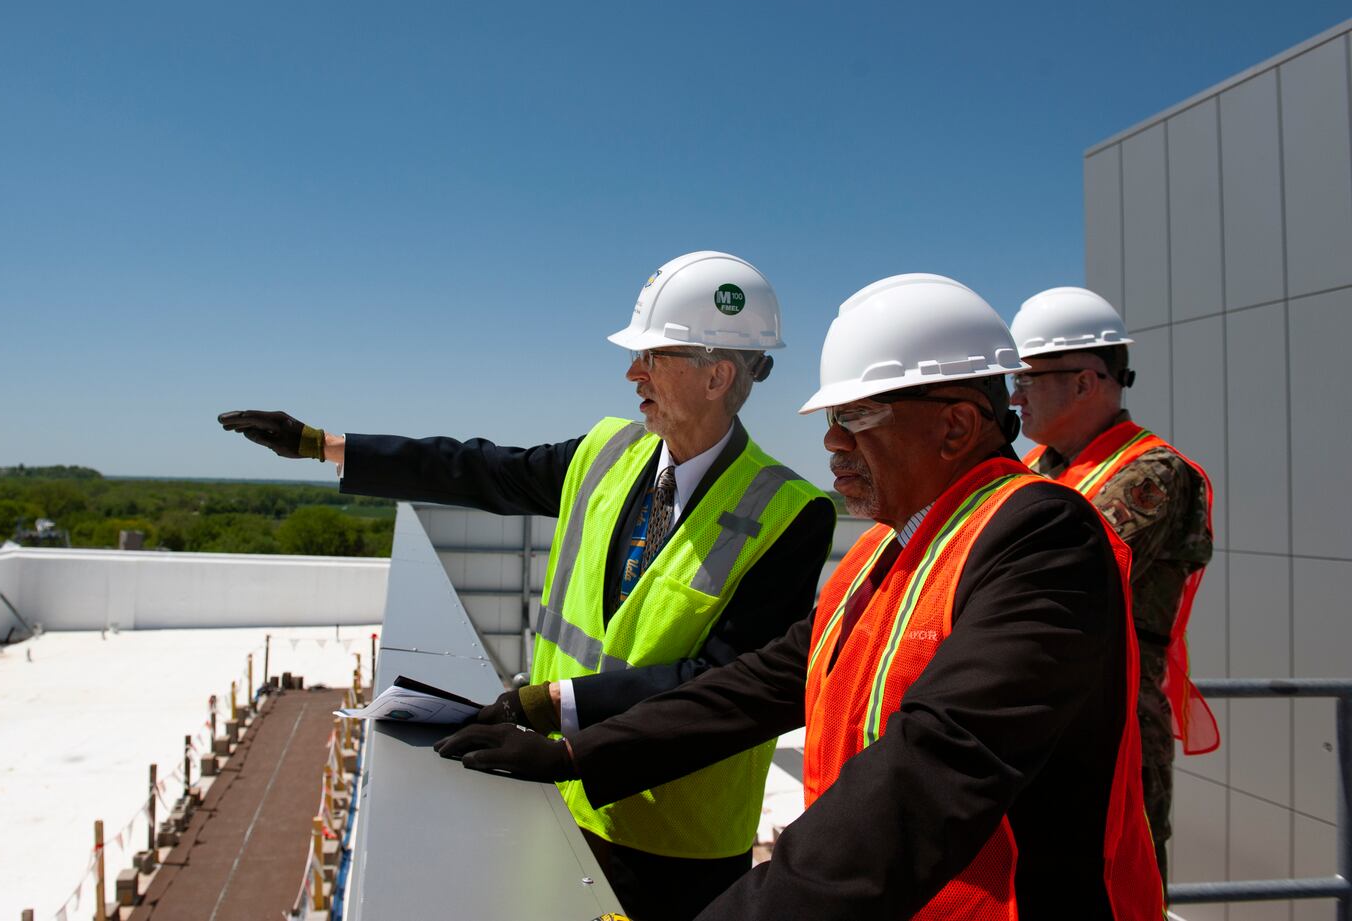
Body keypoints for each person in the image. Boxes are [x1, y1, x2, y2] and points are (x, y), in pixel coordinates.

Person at [435, 273, 1165, 921]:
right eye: (830, 420)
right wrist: (569, 751)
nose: (833, 445)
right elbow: (754, 687)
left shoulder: (1044, 539)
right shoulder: (892, 545)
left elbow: (926, 775)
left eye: (858, 418)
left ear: (955, 424)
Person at [219, 250, 836, 921]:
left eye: (652, 357)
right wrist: (326, 445)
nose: (632, 373)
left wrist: (544, 708)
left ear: (717, 375)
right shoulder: (606, 452)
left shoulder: (789, 512)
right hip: (558, 795)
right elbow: (480, 470)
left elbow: (724, 679)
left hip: (674, 849)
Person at [1009, 285, 1217, 886]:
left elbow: (1048, 573)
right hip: (1037, 721)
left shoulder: (1152, 473)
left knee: (1109, 885)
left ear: (1085, 380)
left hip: (1111, 729)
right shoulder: (1034, 468)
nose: (1015, 397)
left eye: (1027, 378)